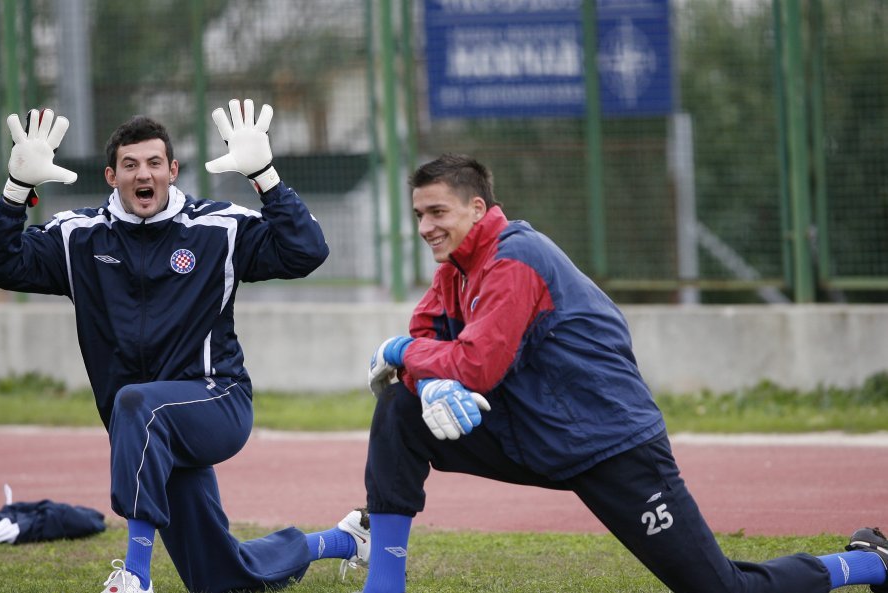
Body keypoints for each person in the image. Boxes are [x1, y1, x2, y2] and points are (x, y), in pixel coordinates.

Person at [363, 152, 888, 593]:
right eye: (419, 215)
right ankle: (383, 584)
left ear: (477, 208)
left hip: (608, 443)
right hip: (535, 433)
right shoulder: (457, 267)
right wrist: (428, 380)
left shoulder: (513, 260)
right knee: (400, 410)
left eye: (437, 211)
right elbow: (427, 334)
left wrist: (402, 352)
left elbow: (473, 364)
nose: (426, 227)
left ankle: (869, 561)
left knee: (719, 589)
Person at [0, 99, 370, 593]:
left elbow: (307, 250)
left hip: (217, 401)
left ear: (173, 170)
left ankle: (135, 576)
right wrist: (16, 191)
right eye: (131, 165)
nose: (144, 174)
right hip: (145, 435)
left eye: (155, 163)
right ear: (112, 176)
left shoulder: (218, 228)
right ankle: (344, 539)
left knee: (138, 401)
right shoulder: (77, 237)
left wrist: (265, 175)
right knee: (221, 579)